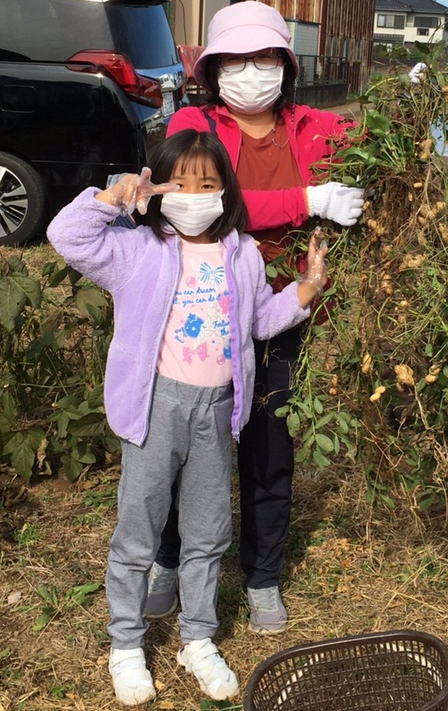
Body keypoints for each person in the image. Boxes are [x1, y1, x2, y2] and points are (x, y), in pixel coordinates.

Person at [46, 129, 329, 704]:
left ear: (226, 190)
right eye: (180, 183)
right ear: (159, 188)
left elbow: (257, 321)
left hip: (216, 411)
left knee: (208, 532)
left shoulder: (243, 254)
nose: (195, 196)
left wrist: (306, 289)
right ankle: (126, 644)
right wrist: (114, 196)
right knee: (139, 530)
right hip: (157, 408)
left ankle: (197, 638)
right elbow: (66, 236)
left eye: (208, 184)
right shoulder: (137, 251)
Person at [147, 1, 365, 636]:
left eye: (264, 58)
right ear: (213, 71)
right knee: (184, 448)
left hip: (285, 313)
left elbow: (389, 150)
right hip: (199, 311)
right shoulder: (194, 125)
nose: (250, 72)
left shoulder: (317, 127)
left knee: (270, 449)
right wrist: (308, 199)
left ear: (286, 66)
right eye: (235, 61)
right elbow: (220, 205)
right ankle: (168, 561)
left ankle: (262, 576)